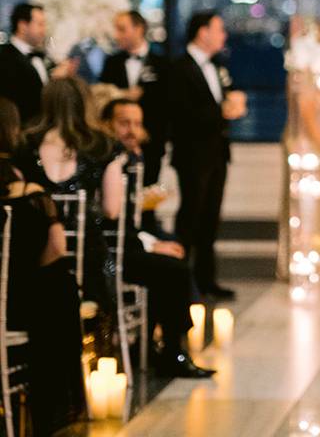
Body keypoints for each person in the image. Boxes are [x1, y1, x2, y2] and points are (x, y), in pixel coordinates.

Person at [101, 98, 215, 378]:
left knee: (173, 256)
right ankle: (172, 350)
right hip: (108, 253)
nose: (132, 130)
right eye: (124, 123)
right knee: (173, 269)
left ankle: (158, 343)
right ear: (107, 125)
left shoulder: (133, 158)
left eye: (137, 124)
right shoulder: (108, 160)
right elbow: (112, 221)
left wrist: (153, 242)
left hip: (125, 242)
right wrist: (152, 244)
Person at [14, 78, 124, 363]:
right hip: (88, 265)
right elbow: (113, 210)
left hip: (38, 260)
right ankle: (99, 361)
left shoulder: (25, 144)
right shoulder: (103, 145)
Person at [0, 97, 85, 436]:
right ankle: (52, 406)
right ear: (12, 132)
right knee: (59, 285)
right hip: (13, 309)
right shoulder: (29, 194)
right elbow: (56, 249)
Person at [168, 11, 246, 301]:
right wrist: (222, 110)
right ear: (202, 32)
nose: (223, 35)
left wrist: (235, 103)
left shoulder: (218, 66)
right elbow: (181, 114)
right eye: (219, 29)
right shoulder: (180, 68)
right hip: (192, 155)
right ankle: (181, 283)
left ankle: (206, 281)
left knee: (210, 220)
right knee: (190, 218)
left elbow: (225, 98)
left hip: (217, 153)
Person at [100, 10, 170, 185]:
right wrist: (121, 95)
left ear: (139, 29)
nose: (117, 35)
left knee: (147, 197)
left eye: (122, 29)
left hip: (151, 144)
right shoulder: (112, 63)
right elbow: (102, 100)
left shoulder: (162, 64)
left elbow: (169, 105)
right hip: (116, 144)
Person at [0, 1, 74, 125]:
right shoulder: (4, 58)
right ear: (23, 25)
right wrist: (54, 81)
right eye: (40, 24)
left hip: (43, 127)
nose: (44, 30)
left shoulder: (44, 56)